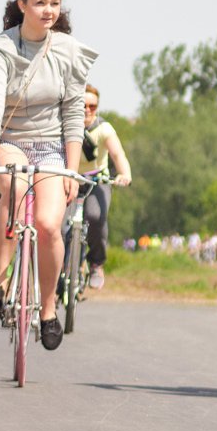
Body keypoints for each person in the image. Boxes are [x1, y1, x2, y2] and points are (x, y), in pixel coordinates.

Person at [0, 0, 98, 352]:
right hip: (11, 143)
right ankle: (1, 281)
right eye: (40, 3)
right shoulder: (1, 50)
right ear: (23, 5)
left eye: (54, 3)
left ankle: (49, 309)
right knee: (17, 190)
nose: (48, 10)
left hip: (51, 148)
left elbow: (73, 115)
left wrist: (71, 170)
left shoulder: (69, 51)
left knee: (50, 224)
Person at [74, 83, 133, 290]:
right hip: (70, 179)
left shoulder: (104, 128)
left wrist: (125, 174)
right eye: (83, 105)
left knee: (96, 216)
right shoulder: (66, 127)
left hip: (96, 180)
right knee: (59, 226)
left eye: (92, 106)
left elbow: (118, 155)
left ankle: (96, 262)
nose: (88, 110)